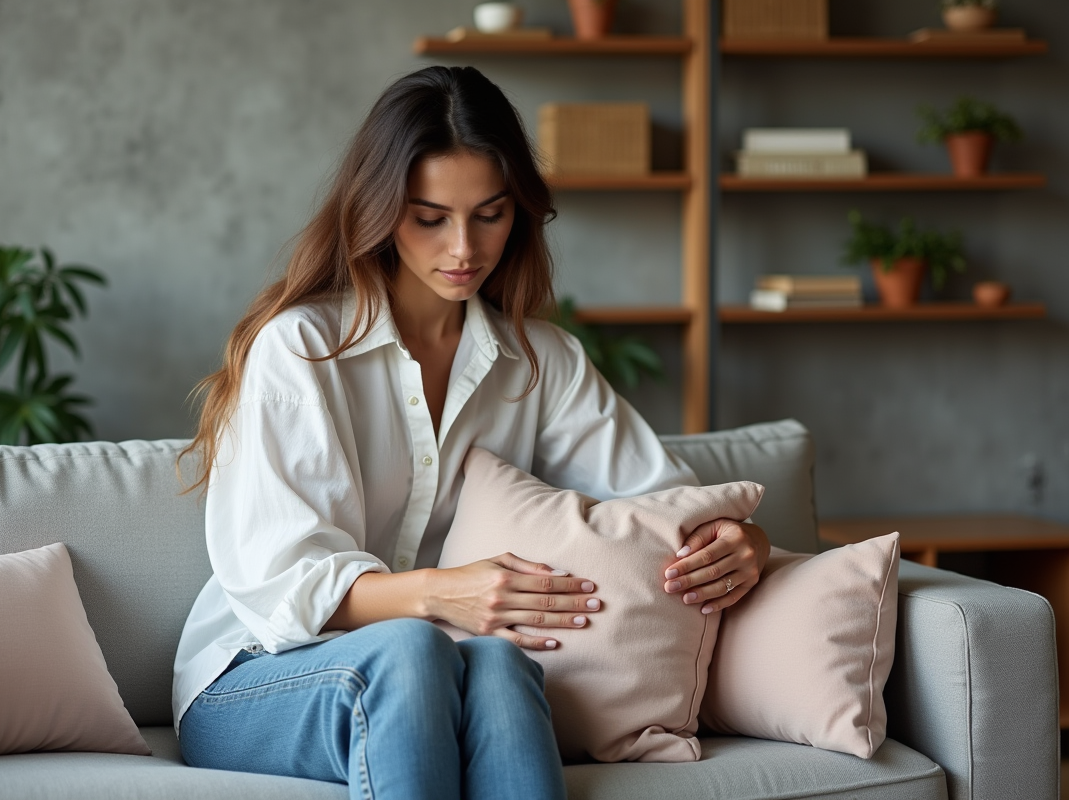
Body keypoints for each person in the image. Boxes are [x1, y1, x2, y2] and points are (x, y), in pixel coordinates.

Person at [172, 65, 770, 800]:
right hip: (252, 674)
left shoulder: (541, 361)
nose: (464, 248)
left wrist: (744, 542)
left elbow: (661, 504)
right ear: (380, 212)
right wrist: (439, 594)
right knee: (416, 649)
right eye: (430, 217)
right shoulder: (301, 348)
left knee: (498, 664)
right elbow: (281, 584)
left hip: (435, 666)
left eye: (490, 214)